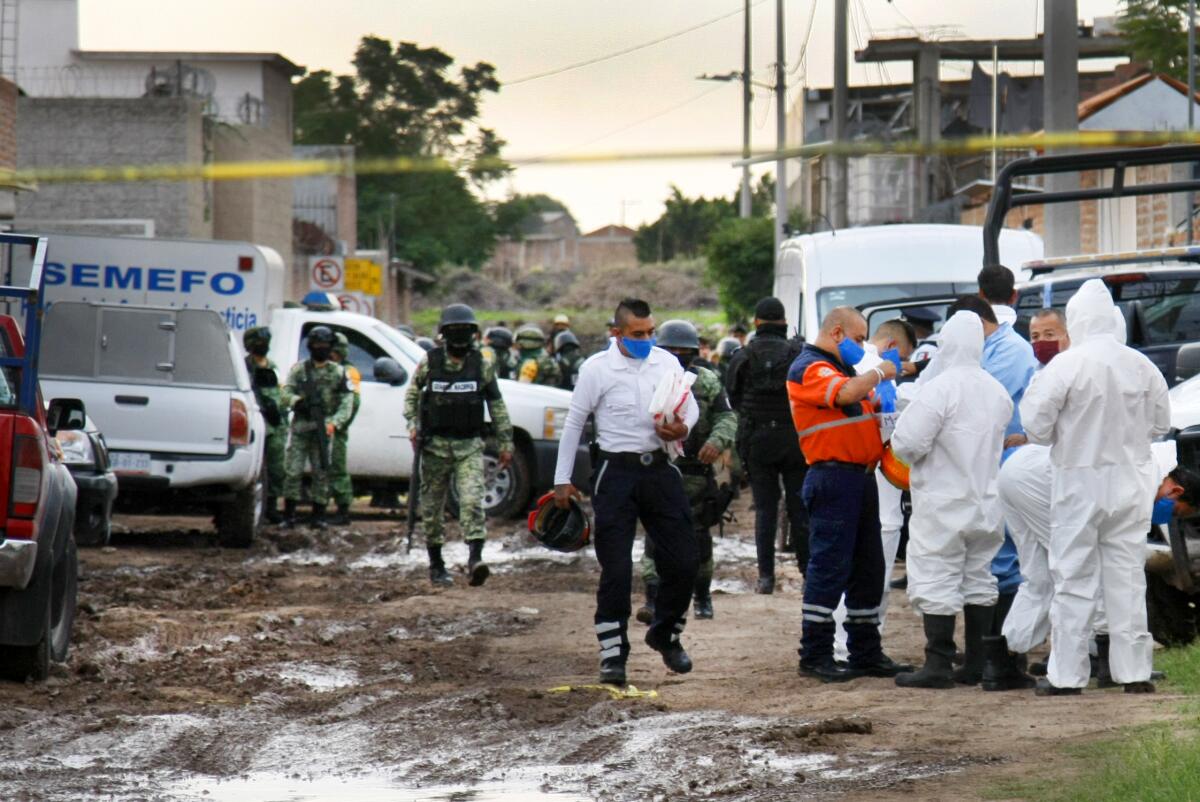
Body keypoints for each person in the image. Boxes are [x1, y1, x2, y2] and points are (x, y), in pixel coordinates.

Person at [1020, 279, 1171, 695]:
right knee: (1127, 578)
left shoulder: (1066, 365)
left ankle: (1067, 676)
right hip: (1131, 482)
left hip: (1078, 483)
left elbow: (1035, 426)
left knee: (1072, 578)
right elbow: (1161, 423)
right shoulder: (1142, 365)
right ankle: (1134, 672)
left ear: (1076, 321)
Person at [552, 298, 699, 686]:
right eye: (638, 334)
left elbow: (691, 407)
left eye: (651, 332)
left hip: (660, 470)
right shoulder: (596, 369)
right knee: (616, 569)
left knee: (685, 560)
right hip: (615, 474)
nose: (647, 339)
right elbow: (574, 424)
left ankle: (665, 633)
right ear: (616, 333)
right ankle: (613, 655)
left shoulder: (665, 362)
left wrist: (683, 428)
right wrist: (561, 480)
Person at [888, 311, 1013, 689]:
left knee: (936, 577)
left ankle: (938, 663)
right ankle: (975, 665)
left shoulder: (939, 388)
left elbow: (907, 443)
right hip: (987, 501)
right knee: (979, 578)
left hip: (943, 501)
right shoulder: (996, 391)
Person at [787, 306, 910, 682]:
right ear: (837, 333)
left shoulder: (840, 368)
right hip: (833, 478)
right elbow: (844, 394)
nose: (862, 346)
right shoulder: (810, 366)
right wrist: (879, 372)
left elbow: (859, 400)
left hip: (860, 478)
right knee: (828, 568)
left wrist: (887, 388)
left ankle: (865, 653)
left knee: (868, 570)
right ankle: (816, 654)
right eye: (858, 339)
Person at [944, 293, 1037, 638]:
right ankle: (991, 646)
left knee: (1002, 556)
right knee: (992, 556)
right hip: (991, 463)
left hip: (1008, 464)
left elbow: (976, 402)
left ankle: (999, 644)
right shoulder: (993, 348)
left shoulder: (1010, 351)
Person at [404, 304, 514, 588]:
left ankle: (475, 559)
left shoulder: (481, 365)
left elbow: (497, 406)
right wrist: (413, 425)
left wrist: (506, 441)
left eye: (465, 331)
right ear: (444, 334)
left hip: (469, 446)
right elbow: (412, 394)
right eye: (455, 331)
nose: (460, 337)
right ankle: (436, 564)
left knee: (471, 501)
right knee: (432, 508)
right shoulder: (430, 362)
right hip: (435, 446)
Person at [638, 320, 737, 622]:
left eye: (684, 351)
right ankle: (652, 600)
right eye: (671, 350)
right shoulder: (645, 379)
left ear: (695, 352)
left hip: (697, 472)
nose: (678, 355)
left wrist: (716, 442)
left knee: (699, 537)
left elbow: (727, 418)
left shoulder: (706, 381)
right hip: (658, 468)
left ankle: (702, 597)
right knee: (655, 537)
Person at [833, 318, 916, 662]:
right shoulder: (878, 374)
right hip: (879, 495)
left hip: (858, 485)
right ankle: (854, 647)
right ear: (893, 349)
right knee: (871, 578)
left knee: (850, 573)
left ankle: (849, 646)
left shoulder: (853, 366)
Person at [724, 298, 809, 594]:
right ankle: (807, 572)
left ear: (757, 322)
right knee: (800, 507)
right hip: (794, 440)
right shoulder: (798, 352)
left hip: (757, 441)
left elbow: (732, 398)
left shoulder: (743, 355)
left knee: (765, 509)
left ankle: (765, 578)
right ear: (783, 321)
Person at [282, 326, 355, 529]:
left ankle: (319, 516)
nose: (320, 349)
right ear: (310, 346)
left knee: (322, 471)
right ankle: (289, 515)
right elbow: (285, 393)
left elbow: (346, 401)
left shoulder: (338, 372)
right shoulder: (300, 370)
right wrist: (297, 402)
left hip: (324, 429)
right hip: (301, 428)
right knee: (293, 471)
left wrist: (334, 422)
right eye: (317, 345)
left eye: (324, 346)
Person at [244, 326, 285, 524]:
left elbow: (280, 391)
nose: (263, 346)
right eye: (259, 342)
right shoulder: (245, 367)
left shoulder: (273, 365)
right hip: (257, 421)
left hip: (275, 423)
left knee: (277, 467)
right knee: (256, 467)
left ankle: (272, 507)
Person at [328, 332, 362, 526]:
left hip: (336, 428)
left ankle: (343, 509)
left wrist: (339, 424)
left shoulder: (349, 371)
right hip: (321, 426)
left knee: (338, 468)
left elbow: (354, 402)